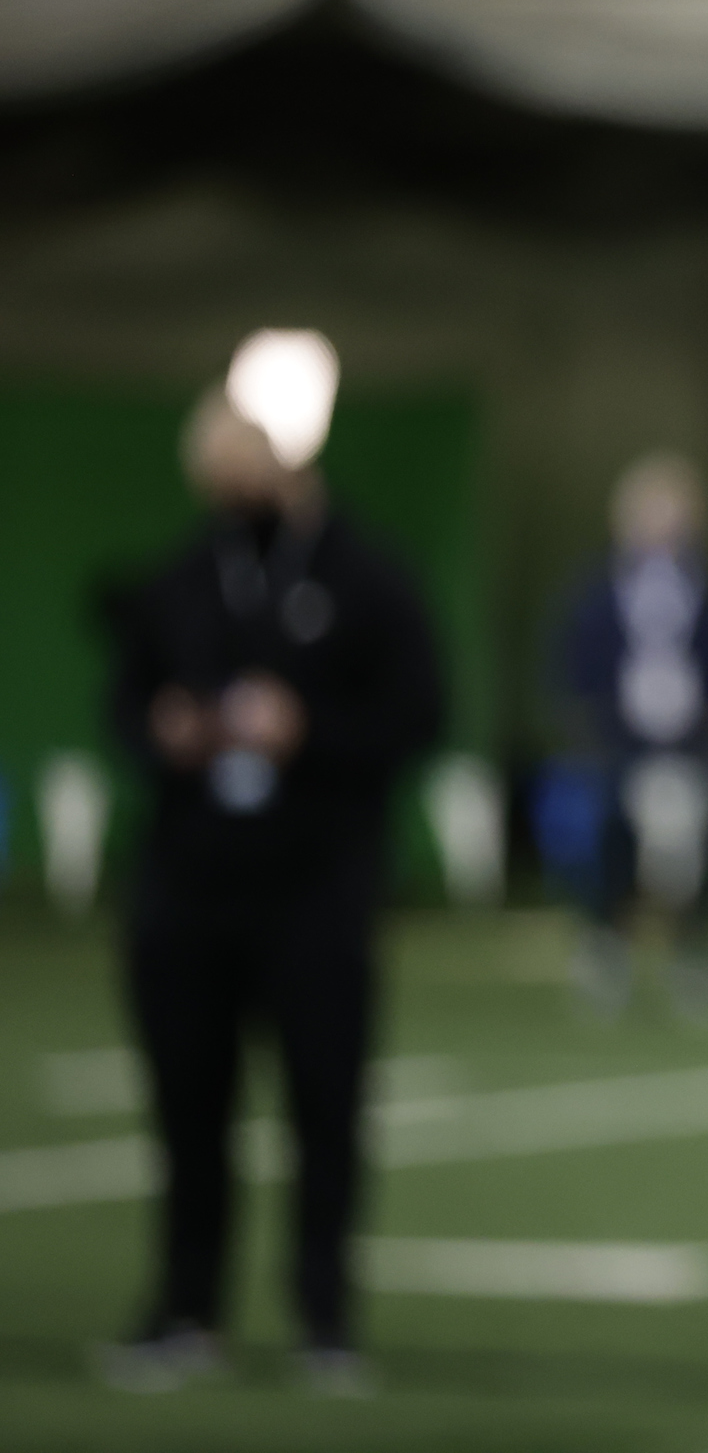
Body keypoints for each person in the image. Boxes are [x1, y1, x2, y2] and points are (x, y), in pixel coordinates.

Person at [100, 386, 442, 1392]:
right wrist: (166, 731)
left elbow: (418, 709)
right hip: (190, 885)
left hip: (316, 887)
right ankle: (185, 1306)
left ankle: (325, 1317)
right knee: (188, 1105)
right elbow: (125, 696)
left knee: (323, 1103)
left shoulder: (368, 576)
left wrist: (310, 730)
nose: (232, 500)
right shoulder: (188, 573)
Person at [559, 452, 708, 1022]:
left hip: (690, 743)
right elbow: (577, 659)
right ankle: (606, 949)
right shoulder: (598, 587)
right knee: (614, 838)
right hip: (623, 743)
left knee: (699, 849)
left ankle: (695, 957)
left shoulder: (707, 588)